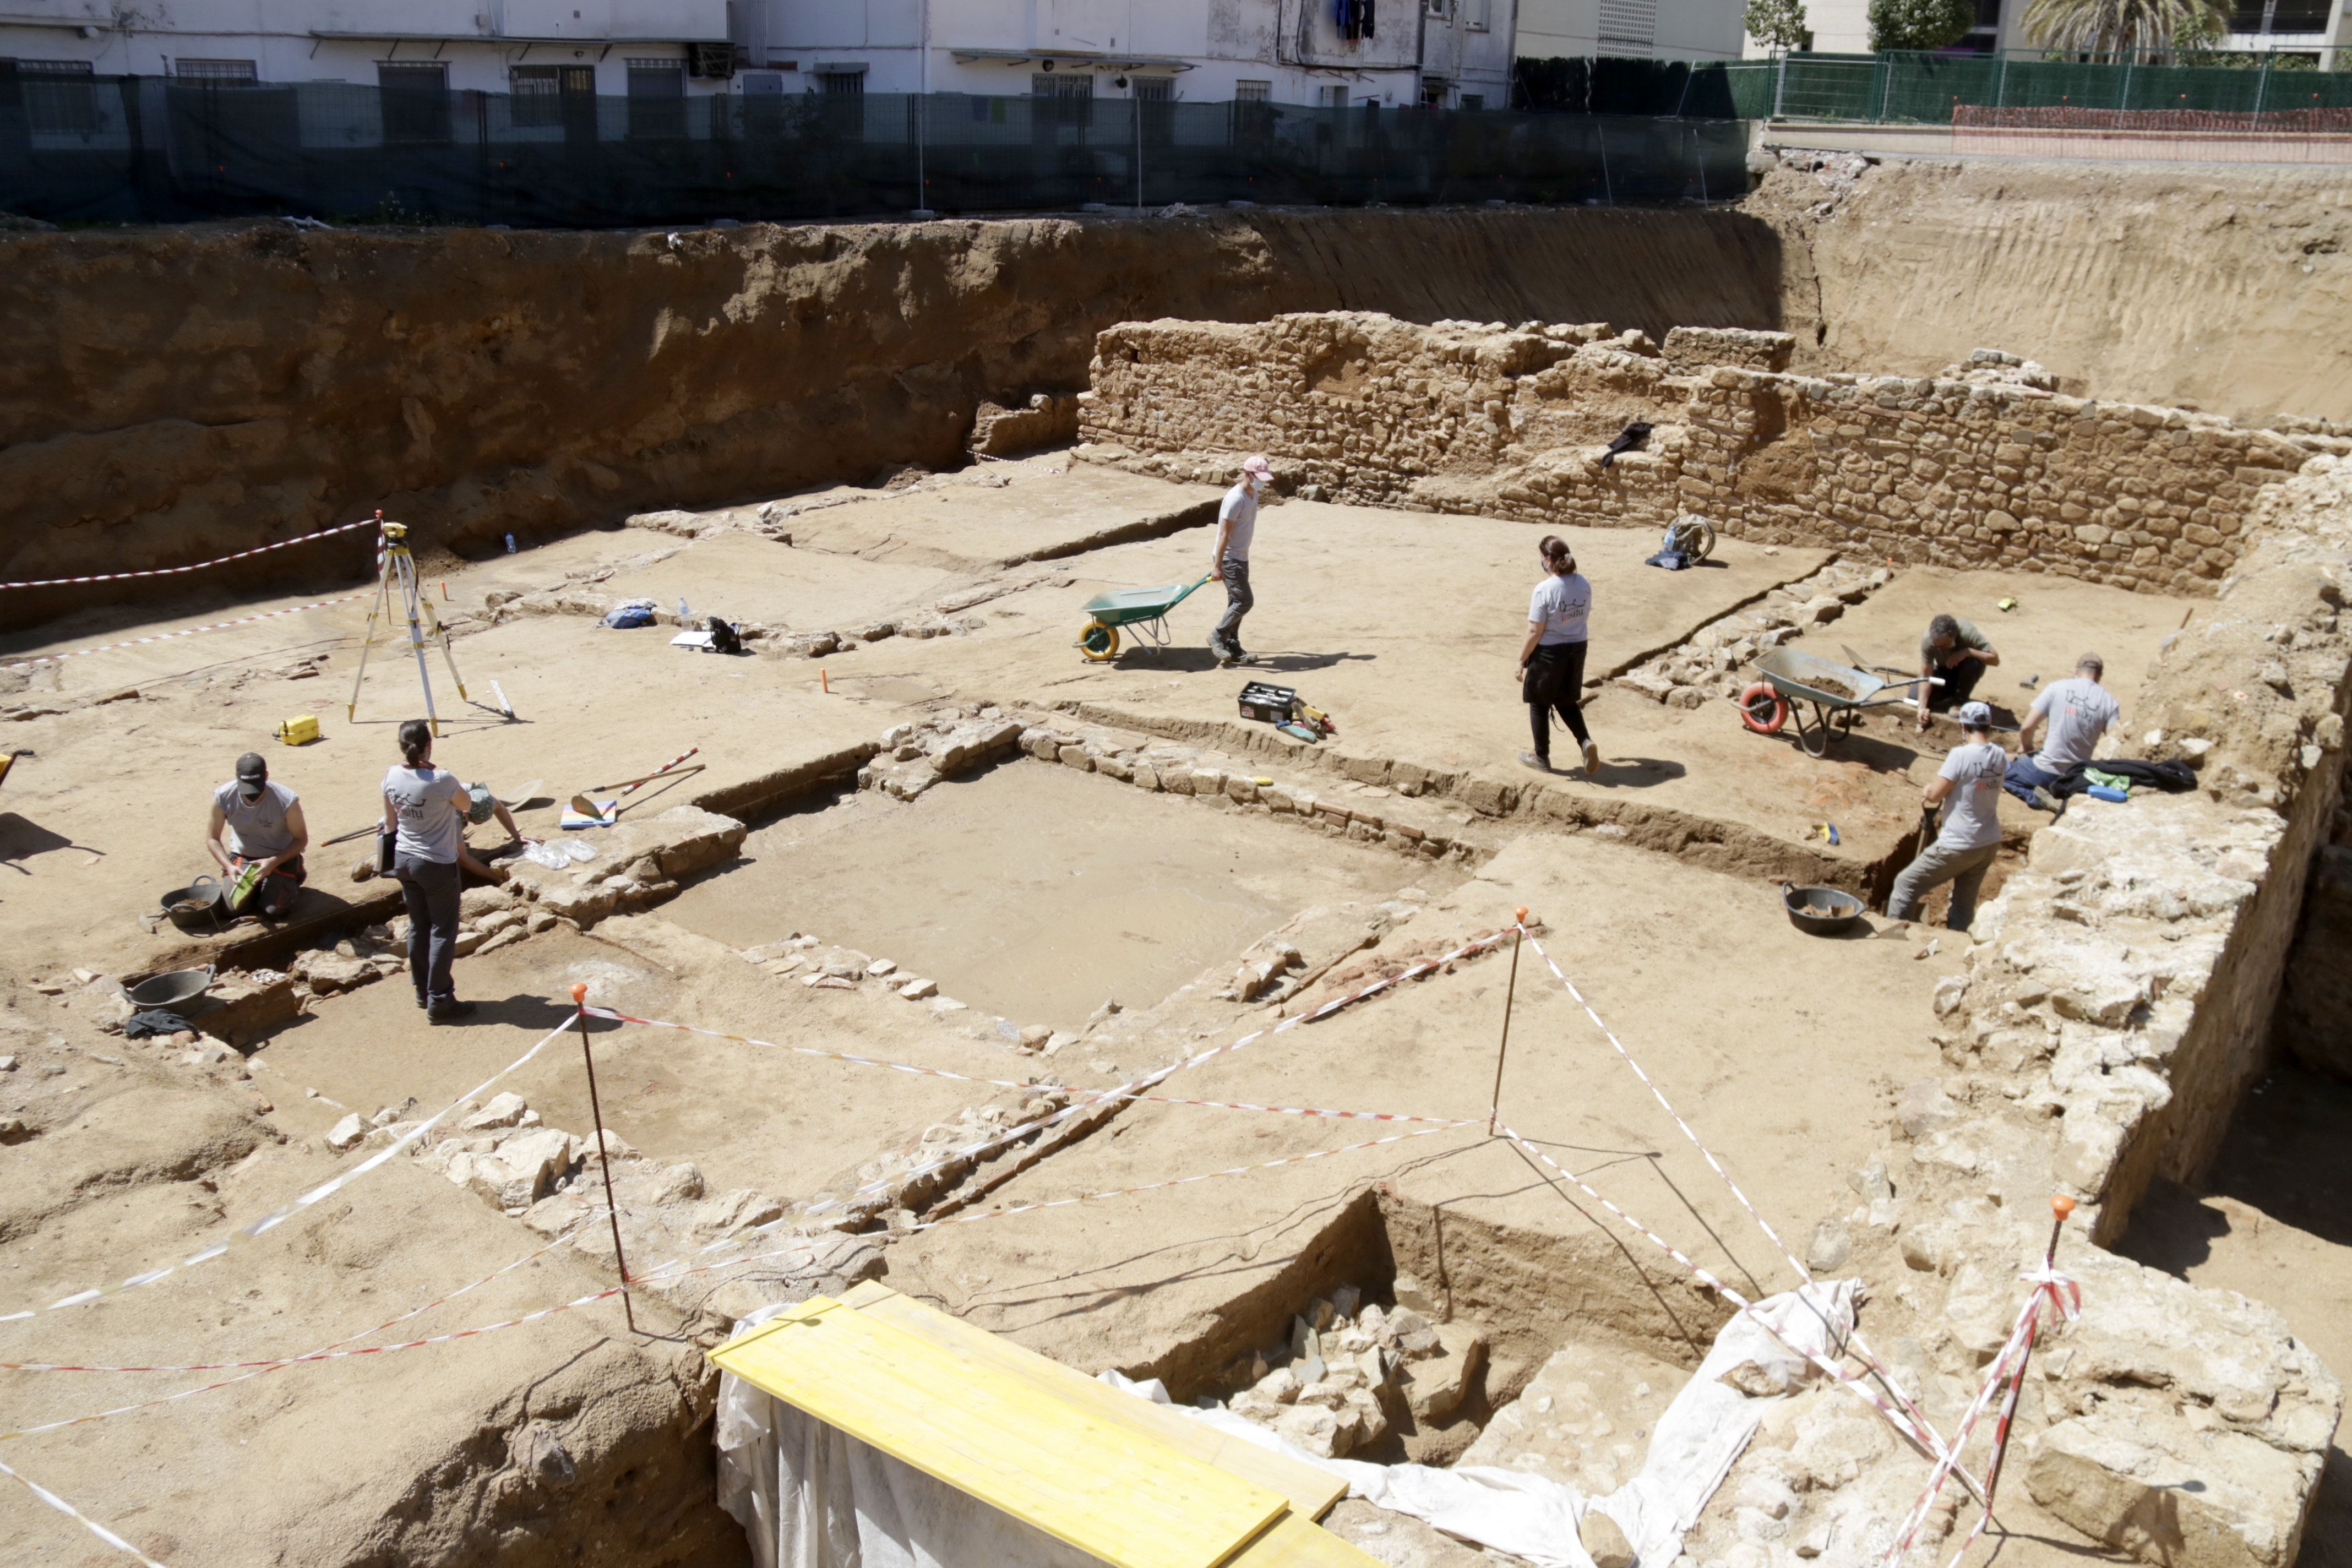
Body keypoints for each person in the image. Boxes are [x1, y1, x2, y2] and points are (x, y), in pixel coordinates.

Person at [382, 722, 529, 1021]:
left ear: (401, 746)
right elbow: (469, 804)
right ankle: (441, 1000)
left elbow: (390, 824)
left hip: (403, 859)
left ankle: (423, 993)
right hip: (435, 863)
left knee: (418, 926)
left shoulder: (391, 775)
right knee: (442, 931)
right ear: (429, 745)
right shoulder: (441, 779)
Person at [1887, 701, 2007, 931]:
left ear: (1964, 727)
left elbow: (1935, 795)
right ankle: (1957, 943)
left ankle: (1894, 940)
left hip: (1959, 842)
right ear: (1988, 726)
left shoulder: (1961, 755)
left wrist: (1928, 791)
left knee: (1906, 884)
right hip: (1989, 842)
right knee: (1964, 901)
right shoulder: (2000, 755)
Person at [1517, 535, 1601, 776]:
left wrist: (1521, 660)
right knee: (1565, 700)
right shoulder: (1583, 583)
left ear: (1549, 561)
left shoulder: (1544, 590)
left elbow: (1535, 631)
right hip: (1577, 648)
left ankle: (1541, 756)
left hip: (1550, 653)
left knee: (1539, 703)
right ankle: (1585, 741)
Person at [2007, 654, 2121, 813]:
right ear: (2100, 676)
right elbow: (2114, 742)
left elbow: (2027, 727)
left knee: (2000, 770)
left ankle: (2038, 798)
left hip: (2044, 770)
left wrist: (2026, 747)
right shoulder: (2110, 702)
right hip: (2076, 777)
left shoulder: (2057, 687)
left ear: (2077, 670)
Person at [206, 752, 309, 917]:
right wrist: (229, 866)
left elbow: (301, 839)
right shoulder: (223, 796)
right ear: (237, 779)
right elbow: (212, 839)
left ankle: (295, 872)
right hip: (244, 856)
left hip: (279, 857)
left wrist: (273, 862)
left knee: (273, 912)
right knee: (232, 909)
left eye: (257, 788)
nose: (253, 795)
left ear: (267, 776)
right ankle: (260, 886)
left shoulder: (287, 800)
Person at [1209, 454, 1272, 668]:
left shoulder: (1253, 494)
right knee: (1244, 601)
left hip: (1242, 557)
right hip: (1230, 558)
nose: (1262, 481)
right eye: (1259, 477)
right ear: (1248, 474)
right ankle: (1218, 636)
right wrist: (1217, 566)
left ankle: (1233, 645)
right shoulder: (1235, 498)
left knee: (1236, 602)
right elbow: (1224, 535)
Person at [1917, 613, 2000, 731]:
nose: (1939, 649)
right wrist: (1922, 708)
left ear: (1954, 637)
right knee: (1915, 696)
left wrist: (1967, 652)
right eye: (1936, 646)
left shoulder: (1967, 632)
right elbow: (1926, 675)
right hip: (1945, 670)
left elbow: (1995, 659)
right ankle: (1950, 695)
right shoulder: (1928, 639)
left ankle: (1959, 701)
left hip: (1967, 670)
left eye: (1944, 645)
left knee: (1972, 665)